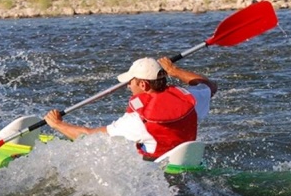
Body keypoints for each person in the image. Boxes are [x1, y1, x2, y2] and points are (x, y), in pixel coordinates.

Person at [44, 57, 217, 160]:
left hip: (155, 167)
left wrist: (58, 124)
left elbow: (89, 136)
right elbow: (209, 85)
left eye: (130, 82)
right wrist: (175, 70)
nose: (128, 86)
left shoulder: (137, 120)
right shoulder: (191, 98)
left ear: (143, 84)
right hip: (186, 159)